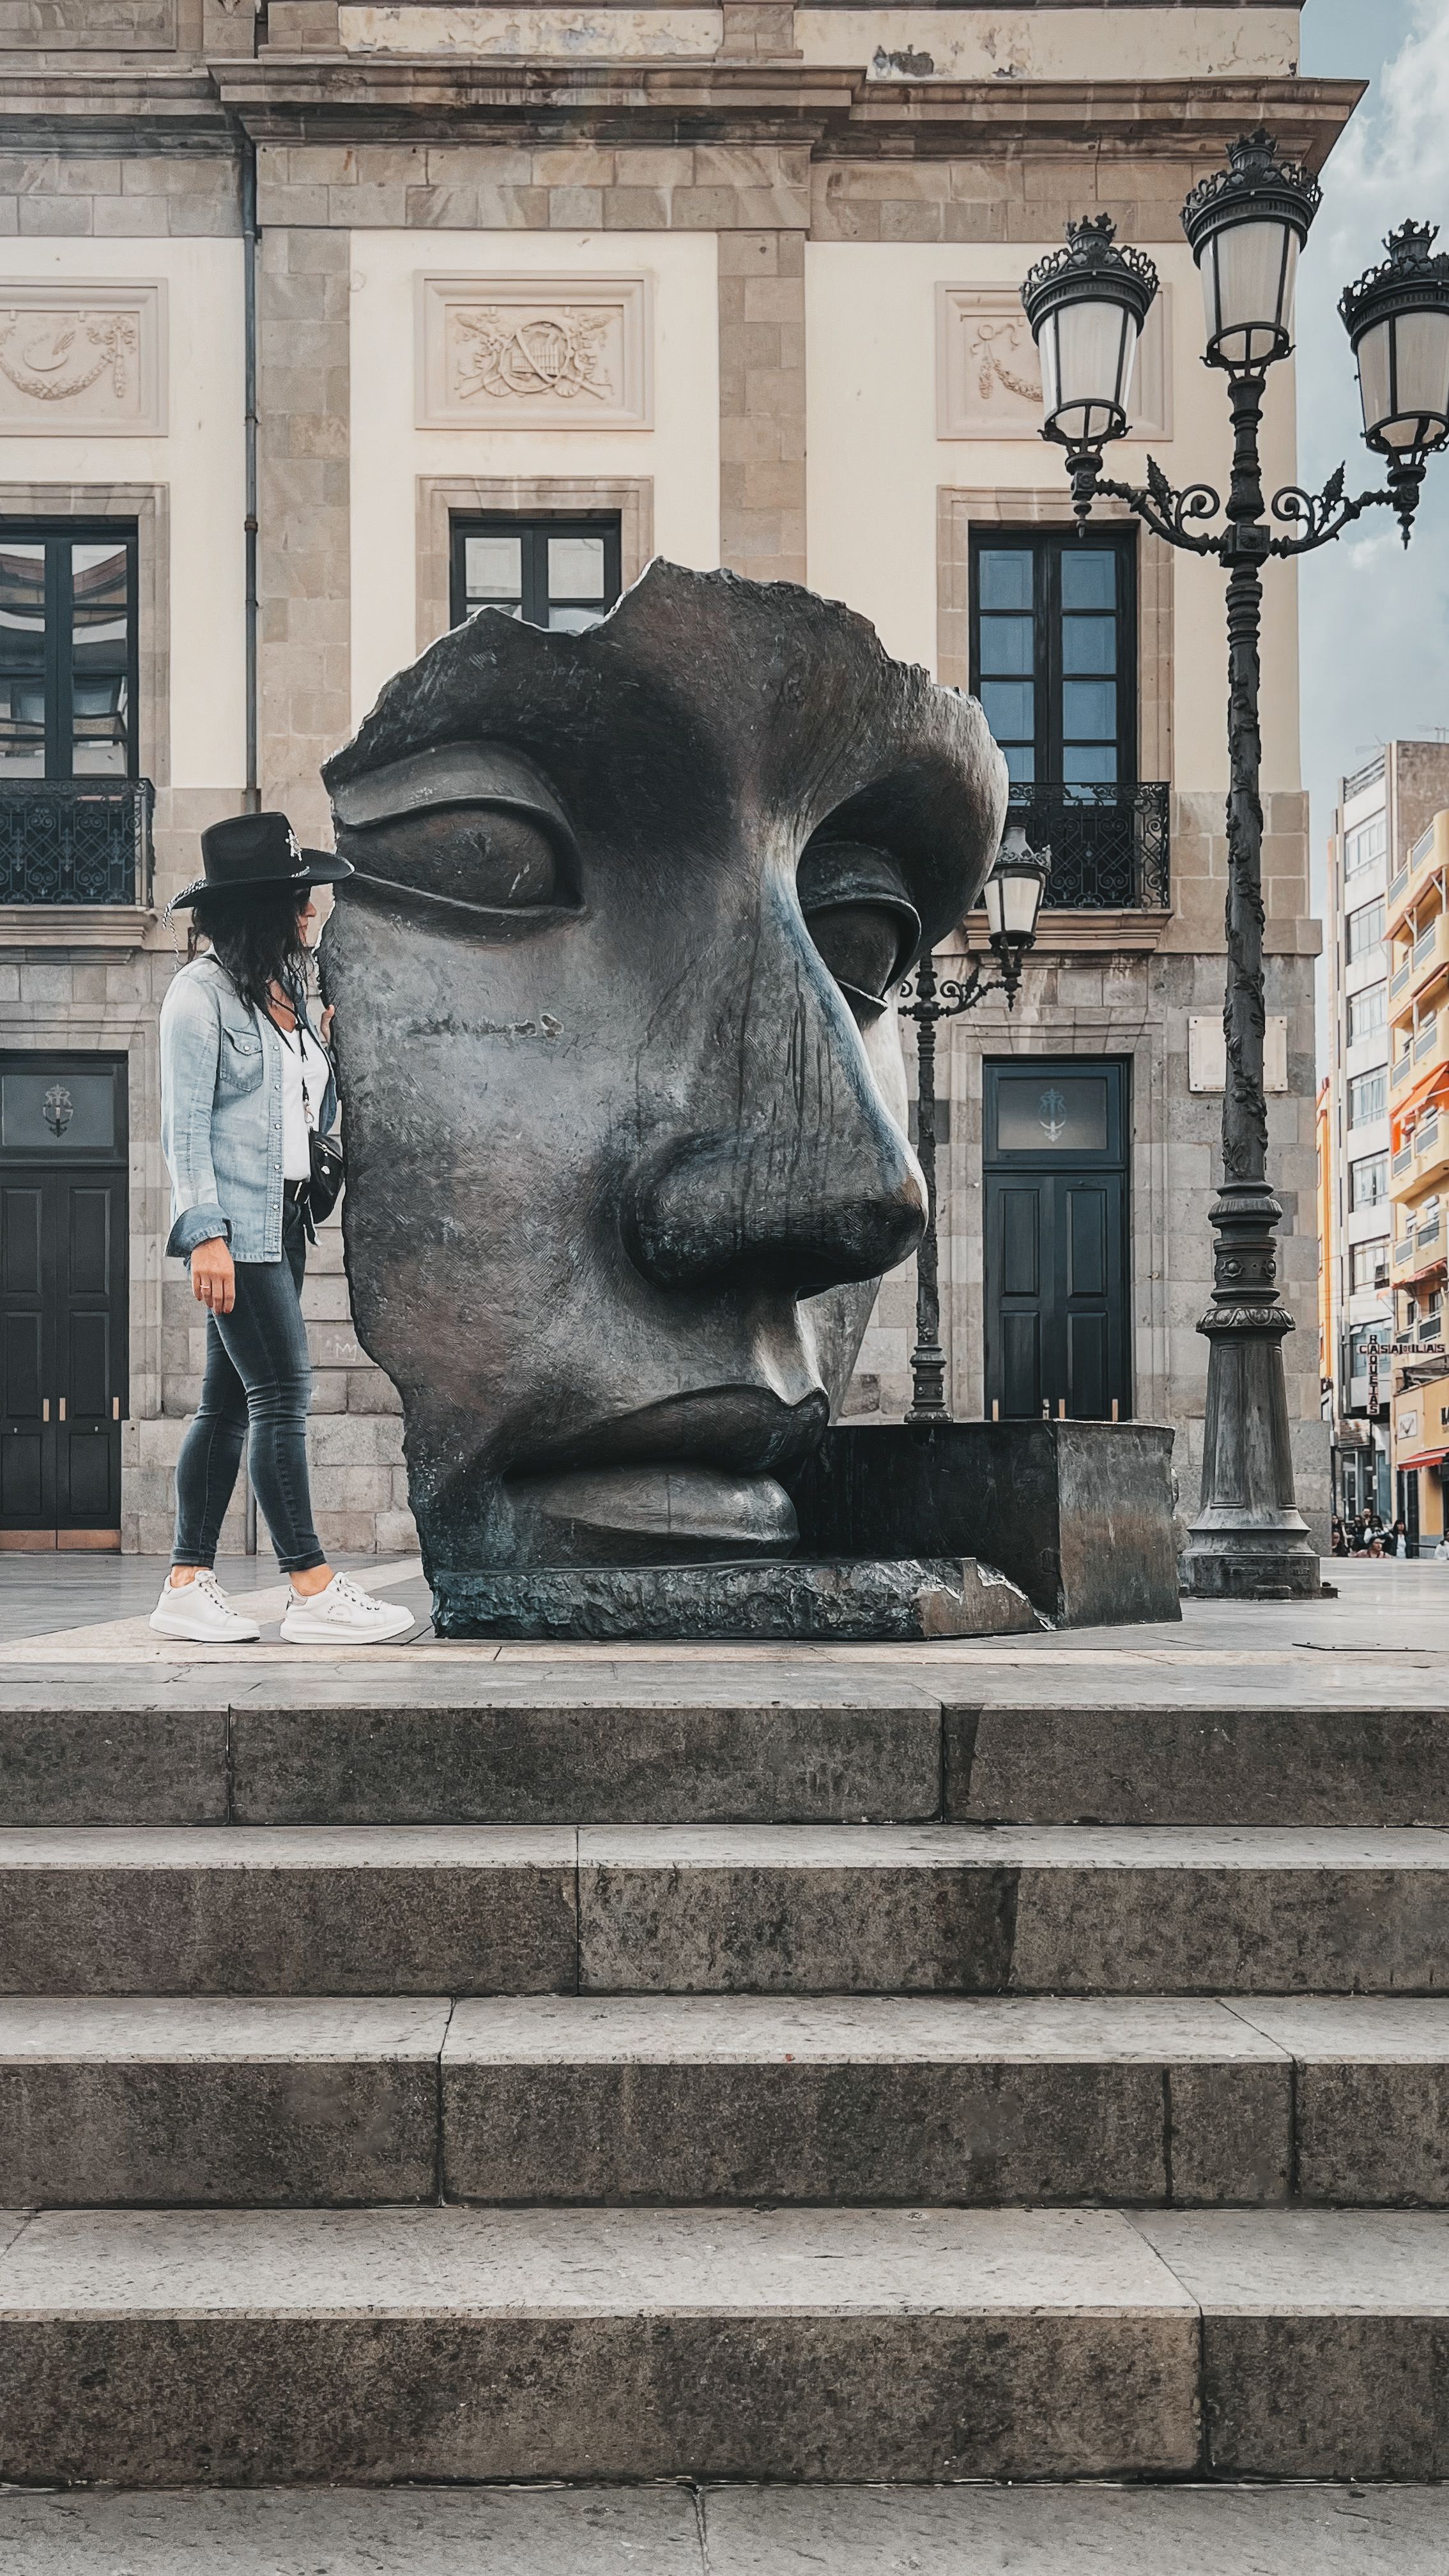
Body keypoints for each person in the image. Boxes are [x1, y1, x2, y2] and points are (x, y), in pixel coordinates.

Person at [150, 812, 414, 1646]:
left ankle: (187, 1581)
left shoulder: (280, 991)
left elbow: (300, 1106)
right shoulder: (197, 996)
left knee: (225, 1407)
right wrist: (206, 1235)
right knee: (283, 1395)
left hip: (288, 1221)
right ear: (265, 905)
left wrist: (322, 1048)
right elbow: (184, 1129)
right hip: (240, 1232)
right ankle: (311, 1587)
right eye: (302, 900)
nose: (313, 914)